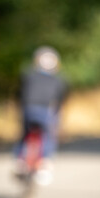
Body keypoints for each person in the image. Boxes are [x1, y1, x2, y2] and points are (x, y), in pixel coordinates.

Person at [15, 46, 67, 184]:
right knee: (49, 136)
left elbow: (19, 93)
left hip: (28, 110)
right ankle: (45, 163)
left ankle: (20, 162)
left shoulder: (28, 75)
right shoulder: (59, 79)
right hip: (46, 112)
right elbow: (61, 100)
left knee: (24, 134)